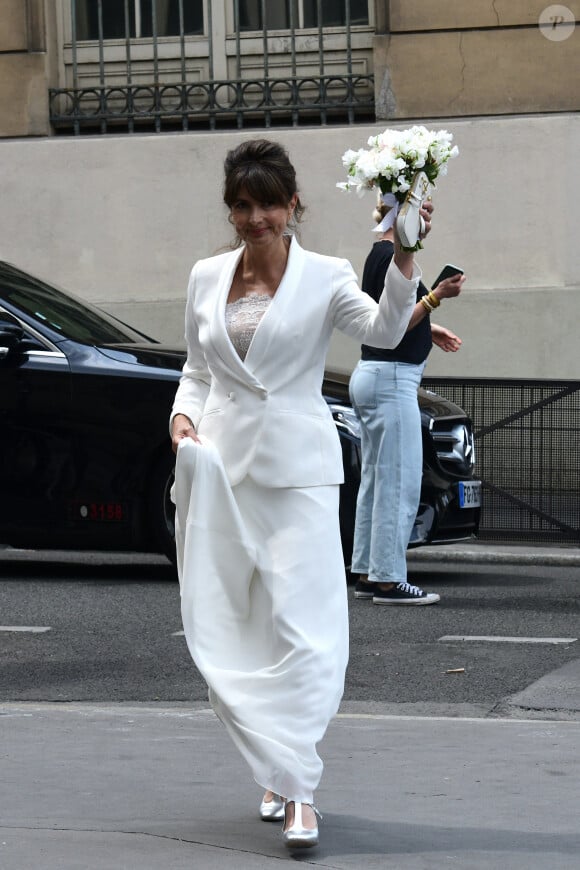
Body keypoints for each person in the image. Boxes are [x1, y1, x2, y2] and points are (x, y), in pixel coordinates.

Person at [169, 139, 433, 850]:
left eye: (267, 205)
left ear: (293, 207)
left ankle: (301, 790)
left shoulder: (325, 275)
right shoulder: (205, 277)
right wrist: (181, 419)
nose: (254, 219)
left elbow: (381, 330)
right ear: (232, 211)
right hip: (222, 472)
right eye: (242, 206)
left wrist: (404, 255)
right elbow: (197, 371)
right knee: (241, 627)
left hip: (301, 476)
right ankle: (274, 760)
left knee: (306, 629)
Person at [349, 193, 465, 606]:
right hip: (391, 379)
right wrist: (436, 296)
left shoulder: (376, 254)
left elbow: (387, 319)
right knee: (398, 481)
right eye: (416, 214)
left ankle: (367, 571)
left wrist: (429, 326)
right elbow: (393, 324)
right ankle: (387, 578)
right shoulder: (391, 258)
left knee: (377, 480)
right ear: (403, 219)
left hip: (375, 375)